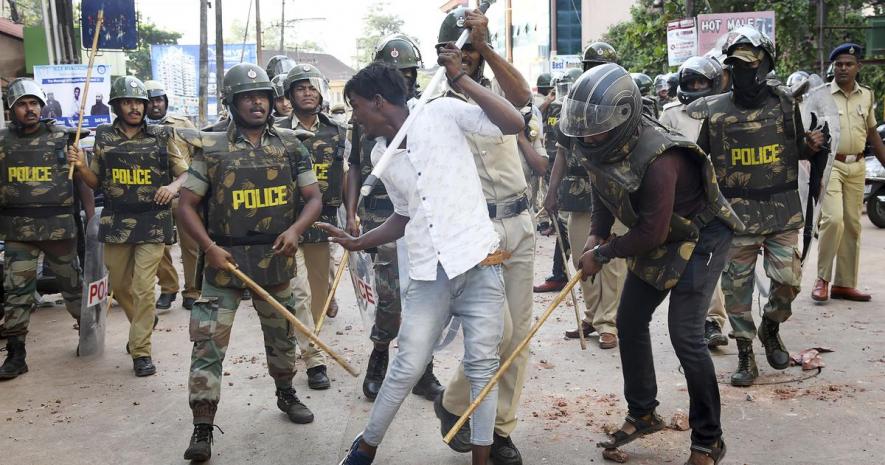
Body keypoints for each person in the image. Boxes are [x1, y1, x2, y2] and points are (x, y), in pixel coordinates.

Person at [329, 56, 524, 465]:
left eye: (357, 106)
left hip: (479, 263)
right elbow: (404, 215)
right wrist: (361, 241)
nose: (356, 117)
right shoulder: (382, 153)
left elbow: (513, 123)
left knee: (482, 368)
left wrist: (462, 80)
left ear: (378, 101)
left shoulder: (442, 111)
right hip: (427, 275)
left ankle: (481, 459)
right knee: (407, 365)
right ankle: (364, 449)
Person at [563, 63, 742, 465]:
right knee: (629, 319)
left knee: (686, 335)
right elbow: (602, 188)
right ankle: (642, 412)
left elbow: (650, 235)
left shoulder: (661, 157)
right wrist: (596, 234)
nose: (588, 137)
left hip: (700, 236)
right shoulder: (596, 143)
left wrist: (604, 254)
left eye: (597, 129)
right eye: (585, 129)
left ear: (624, 118)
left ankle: (708, 439)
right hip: (659, 229)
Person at [171, 63, 324, 462]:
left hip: (275, 259)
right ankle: (203, 426)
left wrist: (295, 232)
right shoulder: (211, 146)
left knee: (281, 336)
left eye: (262, 96)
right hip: (225, 260)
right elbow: (185, 206)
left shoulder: (292, 144)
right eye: (247, 96)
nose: (256, 102)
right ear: (232, 101)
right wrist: (208, 248)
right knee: (207, 345)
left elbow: (313, 198)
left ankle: (286, 394)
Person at [688, 27, 825, 387]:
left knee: (788, 281)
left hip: (780, 210)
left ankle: (770, 327)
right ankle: (746, 352)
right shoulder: (715, 114)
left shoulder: (784, 103)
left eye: (749, 65)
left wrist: (811, 146)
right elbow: (702, 164)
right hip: (736, 216)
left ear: (765, 65)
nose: (742, 73)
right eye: (736, 66)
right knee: (737, 291)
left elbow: (796, 149)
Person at [431, 8, 536, 464]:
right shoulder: (435, 101)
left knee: (519, 335)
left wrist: (486, 44)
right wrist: (454, 75)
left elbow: (522, 96)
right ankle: (461, 405)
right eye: (460, 48)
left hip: (520, 223)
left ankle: (495, 426)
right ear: (443, 52)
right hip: (478, 230)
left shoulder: (496, 92)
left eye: (472, 49)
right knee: (497, 332)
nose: (468, 57)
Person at [343, 32, 445, 402]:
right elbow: (354, 167)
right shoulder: (362, 116)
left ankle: (424, 368)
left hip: (420, 219)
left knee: (425, 293)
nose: (403, 78)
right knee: (388, 296)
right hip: (381, 217)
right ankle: (380, 356)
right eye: (394, 72)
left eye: (407, 72)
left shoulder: (427, 111)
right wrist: (352, 212)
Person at [67, 76, 189, 378]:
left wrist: (173, 187)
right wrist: (82, 166)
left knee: (144, 287)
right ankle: (143, 322)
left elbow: (187, 173)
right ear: (117, 106)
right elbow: (96, 182)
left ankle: (141, 350)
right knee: (119, 285)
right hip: (117, 219)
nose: (134, 107)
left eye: (139, 102)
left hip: (154, 219)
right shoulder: (105, 137)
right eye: (128, 102)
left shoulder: (163, 134)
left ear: (146, 106)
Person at [0, 78, 90, 380]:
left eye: (34, 103)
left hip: (59, 230)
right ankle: (16, 354)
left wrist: (91, 216)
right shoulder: (2, 141)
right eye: (23, 104)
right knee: (16, 292)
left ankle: (88, 336)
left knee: (73, 287)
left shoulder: (64, 137)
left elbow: (81, 179)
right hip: (17, 230)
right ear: (11, 109)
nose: (30, 109)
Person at [545, 43, 624, 350]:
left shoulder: (623, 103)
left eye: (601, 65)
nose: (595, 71)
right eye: (590, 64)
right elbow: (561, 155)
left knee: (613, 262)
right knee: (583, 258)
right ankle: (592, 315)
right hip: (578, 195)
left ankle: (610, 321)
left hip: (615, 194)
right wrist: (551, 191)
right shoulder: (572, 104)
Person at [273, 63, 346, 390]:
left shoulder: (337, 130)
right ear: (289, 94)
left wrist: (351, 213)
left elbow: (345, 173)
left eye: (311, 87)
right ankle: (314, 359)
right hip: (285, 223)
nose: (306, 92)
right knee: (298, 290)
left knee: (319, 293)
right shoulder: (273, 131)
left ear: (320, 92)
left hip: (322, 221)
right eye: (299, 87)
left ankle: (309, 337)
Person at [659, 56, 729, 349]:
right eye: (692, 82)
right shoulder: (672, 115)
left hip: (721, 194)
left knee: (716, 261)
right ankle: (699, 320)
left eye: (703, 82)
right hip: (686, 198)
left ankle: (712, 320)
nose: (697, 87)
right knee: (693, 258)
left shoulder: (726, 111)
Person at [811, 43, 885, 302]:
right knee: (833, 220)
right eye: (839, 64)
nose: (843, 68)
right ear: (833, 67)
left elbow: (873, 132)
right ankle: (822, 278)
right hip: (831, 164)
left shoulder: (866, 95)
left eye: (848, 64)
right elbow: (807, 130)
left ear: (858, 67)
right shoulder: (821, 95)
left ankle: (844, 284)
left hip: (858, 166)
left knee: (853, 225)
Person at [142, 80, 200, 312]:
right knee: (157, 247)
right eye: (151, 101)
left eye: (159, 100)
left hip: (185, 195)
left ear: (165, 101)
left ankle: (193, 291)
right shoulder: (138, 129)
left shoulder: (182, 123)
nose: (155, 105)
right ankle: (168, 287)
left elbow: (199, 156)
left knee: (191, 246)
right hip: (153, 198)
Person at [533, 69, 579, 294]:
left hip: (577, 177)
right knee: (561, 225)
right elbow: (534, 122)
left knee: (573, 227)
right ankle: (559, 274)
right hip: (554, 170)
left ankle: (578, 277)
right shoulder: (552, 107)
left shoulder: (579, 110)